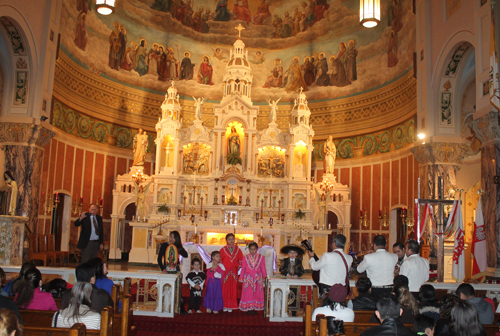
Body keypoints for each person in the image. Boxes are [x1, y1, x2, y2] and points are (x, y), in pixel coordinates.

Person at [239, 242, 267, 314]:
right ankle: (248, 308)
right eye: (251, 249)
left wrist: (265, 277)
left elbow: (263, 268)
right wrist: (241, 277)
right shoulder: (245, 257)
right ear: (249, 249)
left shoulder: (261, 257)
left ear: (257, 249)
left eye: (254, 249)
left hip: (257, 279)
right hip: (248, 279)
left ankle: (255, 308)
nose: (252, 251)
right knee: (248, 293)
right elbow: (243, 268)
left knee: (257, 292)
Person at [220, 233, 243, 312]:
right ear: (226, 240)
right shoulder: (223, 249)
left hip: (234, 271)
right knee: (225, 287)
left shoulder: (238, 249)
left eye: (233, 239)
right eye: (229, 239)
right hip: (225, 271)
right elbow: (219, 260)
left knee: (233, 287)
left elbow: (241, 259)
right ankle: (225, 304)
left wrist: (239, 265)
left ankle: (231, 305)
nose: (231, 241)